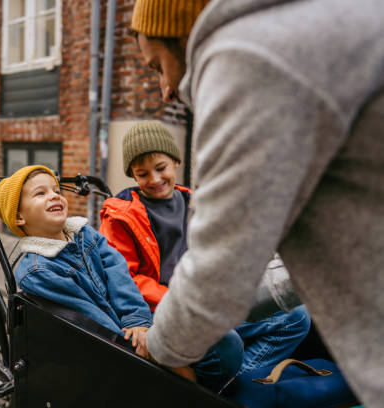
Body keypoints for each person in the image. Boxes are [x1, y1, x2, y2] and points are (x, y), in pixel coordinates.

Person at [129, 1, 384, 406]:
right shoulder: (313, 25)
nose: (165, 89)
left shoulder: (247, 58)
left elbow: (219, 268)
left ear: (183, 35)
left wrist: (162, 349)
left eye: (158, 66)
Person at [100, 120, 310, 391]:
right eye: (142, 174)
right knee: (226, 341)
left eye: (160, 168)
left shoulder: (195, 202)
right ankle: (218, 388)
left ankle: (229, 386)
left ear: (175, 162)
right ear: (134, 176)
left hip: (210, 300)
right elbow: (125, 277)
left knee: (296, 317)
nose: (154, 180)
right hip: (168, 311)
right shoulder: (121, 217)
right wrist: (181, 300)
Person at [0, 165, 153, 344]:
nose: (54, 196)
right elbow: (88, 317)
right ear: (19, 217)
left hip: (130, 321)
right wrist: (129, 345)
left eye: (56, 190)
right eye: (40, 193)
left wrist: (136, 318)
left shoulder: (85, 233)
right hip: (109, 343)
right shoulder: (37, 271)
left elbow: (117, 270)